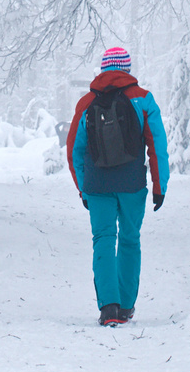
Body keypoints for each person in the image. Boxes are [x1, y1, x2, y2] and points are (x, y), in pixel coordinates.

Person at [67, 46, 169, 327]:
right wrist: (160, 186)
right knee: (129, 240)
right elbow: (156, 146)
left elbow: (74, 149)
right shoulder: (143, 100)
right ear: (126, 68)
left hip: (98, 186)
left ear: (103, 69)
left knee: (103, 239)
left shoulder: (87, 102)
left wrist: (83, 188)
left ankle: (108, 307)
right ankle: (125, 307)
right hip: (132, 185)